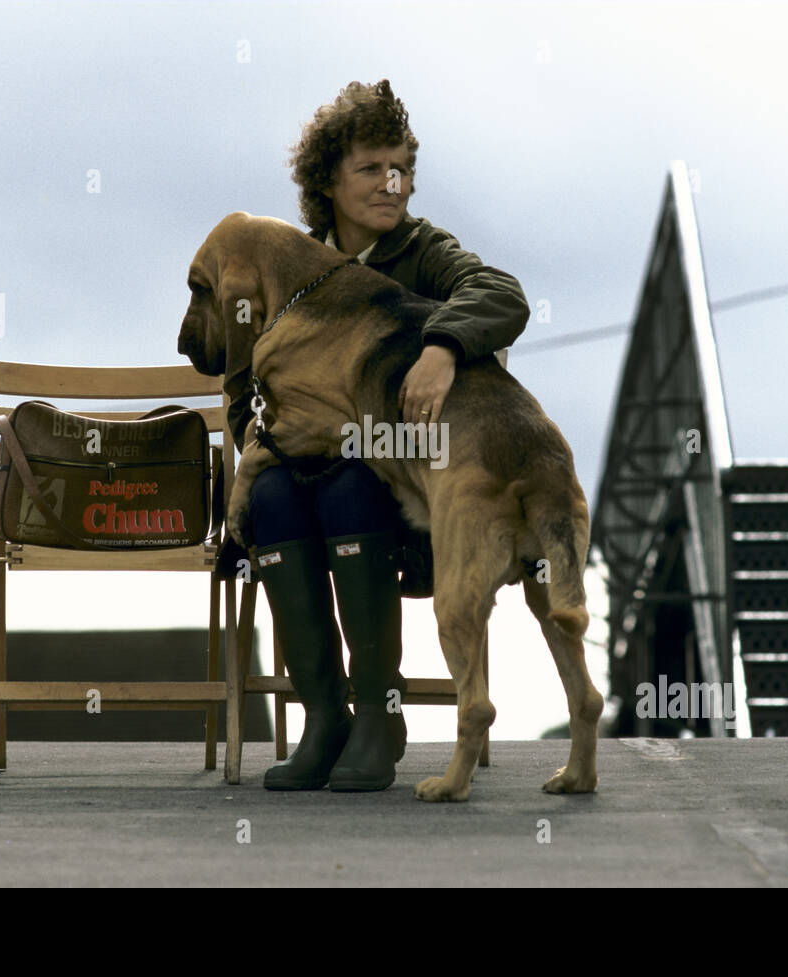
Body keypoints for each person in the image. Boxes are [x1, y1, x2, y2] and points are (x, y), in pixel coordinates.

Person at [232, 79, 529, 791]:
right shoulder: (293, 265)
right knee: (269, 500)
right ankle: (324, 716)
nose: (390, 184)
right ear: (327, 181)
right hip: (296, 460)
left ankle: (378, 714)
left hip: (399, 477)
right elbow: (242, 374)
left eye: (401, 169)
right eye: (370, 168)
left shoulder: (424, 252)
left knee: (351, 480)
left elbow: (503, 295)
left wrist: (443, 346)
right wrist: (257, 433)